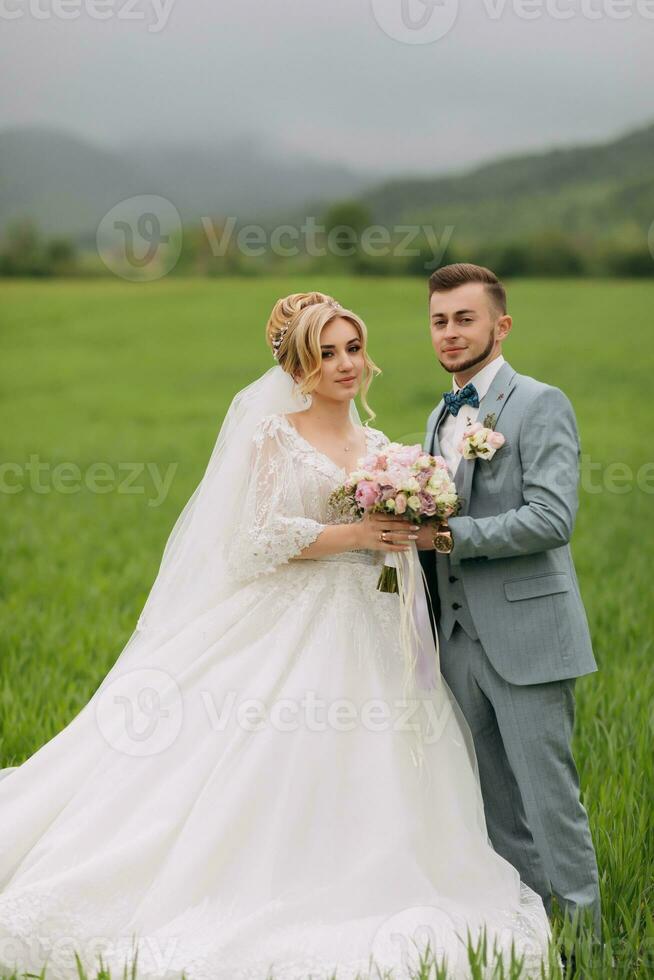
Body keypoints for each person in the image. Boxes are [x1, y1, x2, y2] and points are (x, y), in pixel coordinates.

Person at [0, 291, 552, 980]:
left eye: (353, 347)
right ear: (298, 367)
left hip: (374, 624)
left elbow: (407, 536)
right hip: (295, 621)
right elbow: (250, 541)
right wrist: (354, 533)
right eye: (326, 353)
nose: (346, 364)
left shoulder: (383, 449)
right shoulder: (275, 436)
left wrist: (409, 527)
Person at [412, 263, 601, 946]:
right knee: (494, 810)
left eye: (465, 318)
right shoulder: (440, 414)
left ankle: (586, 944)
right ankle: (530, 940)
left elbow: (552, 518)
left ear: (501, 324)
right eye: (440, 320)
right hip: (457, 643)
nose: (451, 332)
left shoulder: (539, 403)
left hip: (527, 636)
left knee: (551, 805)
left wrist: (448, 536)